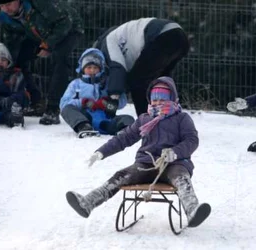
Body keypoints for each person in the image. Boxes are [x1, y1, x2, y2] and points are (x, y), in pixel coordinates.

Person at [66, 76, 211, 228]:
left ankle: (192, 210)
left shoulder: (181, 118)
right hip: (146, 164)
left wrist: (175, 152)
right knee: (121, 176)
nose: (157, 102)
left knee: (182, 178)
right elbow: (124, 138)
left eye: (162, 99)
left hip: (174, 163)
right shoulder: (144, 119)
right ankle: (88, 203)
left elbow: (192, 140)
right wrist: (101, 152)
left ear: (172, 99)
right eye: (154, 99)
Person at [0, 0, 83, 125]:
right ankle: (36, 102)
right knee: (17, 59)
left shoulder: (39, 3)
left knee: (59, 58)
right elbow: (10, 44)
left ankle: (53, 109)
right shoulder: (5, 18)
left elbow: (65, 21)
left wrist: (48, 44)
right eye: (2, 5)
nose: (6, 8)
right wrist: (5, 61)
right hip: (39, 35)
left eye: (8, 4)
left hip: (70, 30)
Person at [93, 17, 190, 116]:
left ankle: (146, 122)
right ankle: (170, 118)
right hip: (180, 37)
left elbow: (117, 68)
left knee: (137, 82)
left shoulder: (109, 41)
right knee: (161, 84)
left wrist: (113, 100)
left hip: (162, 36)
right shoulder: (123, 38)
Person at [59, 48, 134, 138]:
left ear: (101, 69)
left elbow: (122, 101)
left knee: (128, 118)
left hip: (107, 118)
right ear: (83, 68)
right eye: (89, 67)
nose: (92, 70)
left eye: (95, 68)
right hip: (85, 117)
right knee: (66, 109)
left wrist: (108, 102)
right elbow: (64, 103)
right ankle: (83, 127)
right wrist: (83, 102)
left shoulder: (108, 82)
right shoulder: (76, 84)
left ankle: (124, 130)